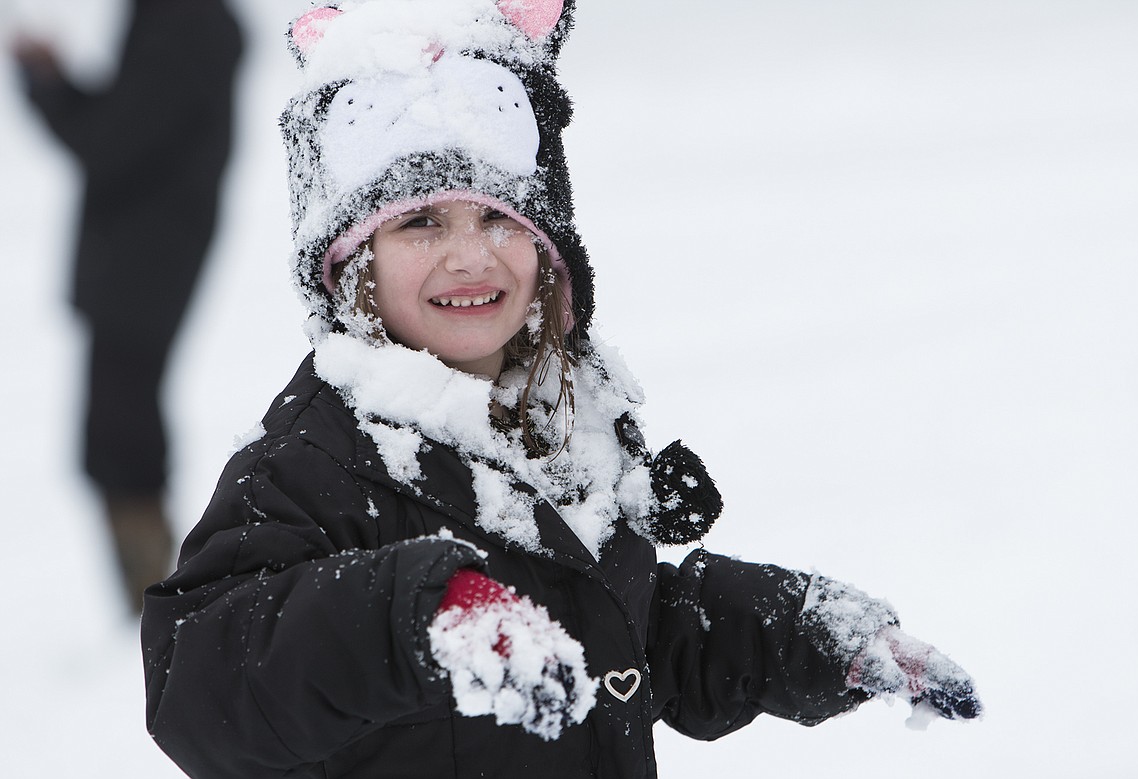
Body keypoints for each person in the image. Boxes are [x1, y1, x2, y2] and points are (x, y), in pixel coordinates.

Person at [140, 1, 981, 776]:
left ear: (549, 248)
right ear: (350, 262)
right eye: (421, 222)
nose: (470, 257)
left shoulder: (560, 422)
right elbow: (199, 680)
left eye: (500, 217)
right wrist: (410, 617)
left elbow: (620, 634)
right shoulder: (310, 461)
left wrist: (796, 632)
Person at [12, 0, 242, 613]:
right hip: (143, 259)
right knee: (116, 432)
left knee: (120, 435)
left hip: (145, 265)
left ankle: (152, 600)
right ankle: (151, 597)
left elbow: (107, 141)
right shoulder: (179, 20)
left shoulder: (185, 23)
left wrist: (45, 82)